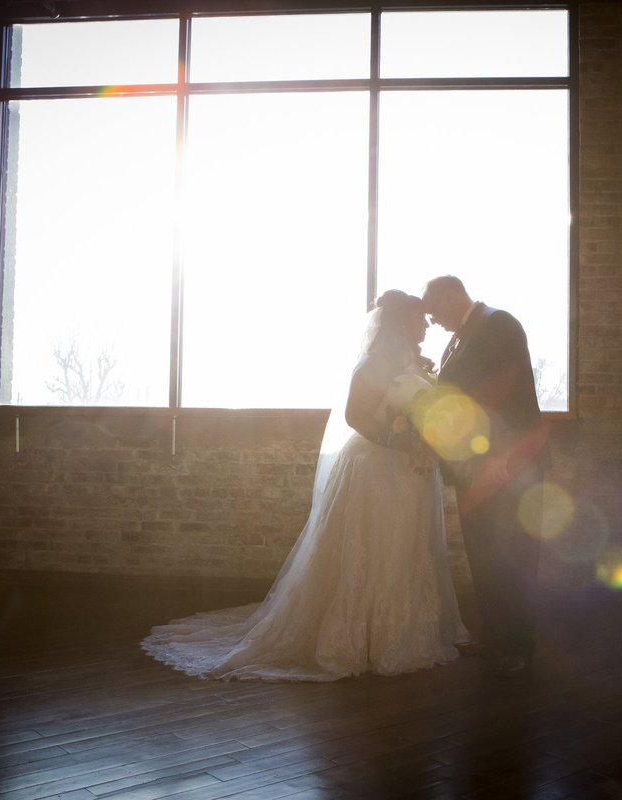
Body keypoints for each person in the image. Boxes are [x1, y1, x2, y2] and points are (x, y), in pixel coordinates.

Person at [142, 291, 468, 681]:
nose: (426, 324)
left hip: (409, 472)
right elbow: (354, 416)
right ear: (400, 321)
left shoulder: (412, 361)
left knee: (404, 549)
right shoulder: (372, 364)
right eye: (420, 318)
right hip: (376, 469)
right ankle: (360, 637)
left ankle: (401, 631)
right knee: (374, 548)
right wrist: (403, 440)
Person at [420, 275, 549, 677]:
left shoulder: (499, 324)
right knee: (483, 554)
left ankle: (518, 644)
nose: (434, 321)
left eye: (435, 311)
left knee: (514, 554)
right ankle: (493, 634)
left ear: (451, 293)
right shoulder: (459, 338)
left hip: (506, 464)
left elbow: (502, 395)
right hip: (473, 467)